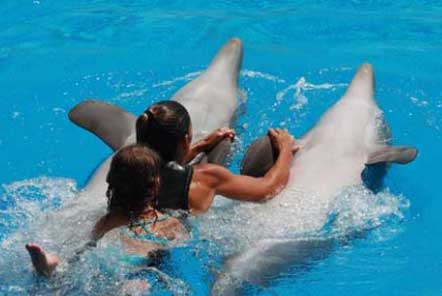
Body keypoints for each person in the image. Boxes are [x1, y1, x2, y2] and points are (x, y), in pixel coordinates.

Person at [26, 144, 186, 278]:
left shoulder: (106, 221)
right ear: (156, 183)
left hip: (100, 259)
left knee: (71, 265)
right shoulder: (169, 224)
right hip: (133, 265)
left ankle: (51, 263)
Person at [136, 101, 298, 214]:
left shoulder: (131, 167)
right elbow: (267, 188)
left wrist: (202, 145)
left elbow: (164, 163)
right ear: (185, 141)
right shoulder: (205, 177)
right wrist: (285, 150)